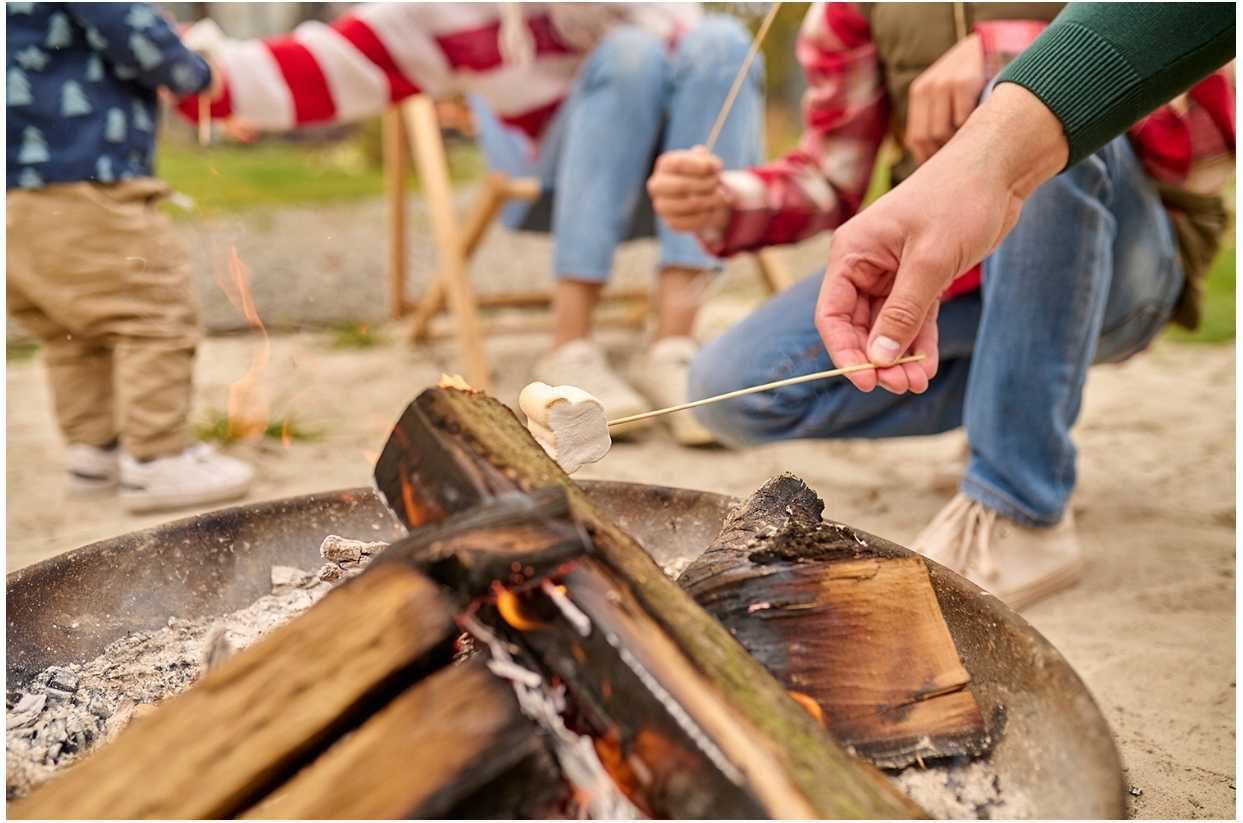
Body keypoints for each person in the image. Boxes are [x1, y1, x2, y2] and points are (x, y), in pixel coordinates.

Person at [647, 2, 1234, 609]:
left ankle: (1022, 504)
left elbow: (1207, 147)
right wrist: (725, 202)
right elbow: (829, 175)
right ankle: (1011, 404)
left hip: (1124, 272)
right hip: (953, 271)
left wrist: (1018, 66)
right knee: (731, 390)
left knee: (1036, 118)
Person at [175, 4, 764, 446]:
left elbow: (702, 74)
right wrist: (191, 69)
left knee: (724, 40)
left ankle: (674, 348)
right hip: (551, 173)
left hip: (667, 175)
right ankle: (569, 345)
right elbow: (334, 63)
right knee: (630, 54)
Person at [7, 2, 255, 514]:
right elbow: (130, 26)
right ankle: (157, 458)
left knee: (69, 325)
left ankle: (96, 450)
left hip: (14, 191)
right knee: (153, 312)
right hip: (85, 179)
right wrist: (196, 69)